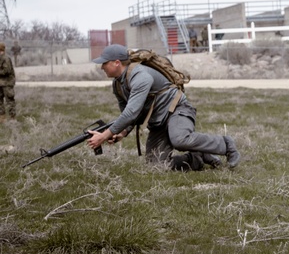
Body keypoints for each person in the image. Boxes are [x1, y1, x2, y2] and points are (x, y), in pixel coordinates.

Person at [86, 44, 240, 171]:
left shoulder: (140, 76)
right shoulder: (118, 85)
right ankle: (197, 158)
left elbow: (131, 112)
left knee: (179, 139)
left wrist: (104, 135)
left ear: (117, 62)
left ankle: (226, 144)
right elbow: (130, 114)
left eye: (104, 63)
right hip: (159, 122)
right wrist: (122, 132)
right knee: (156, 166)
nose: (101, 67)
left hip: (178, 110)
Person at [0, 42, 15, 121]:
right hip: (1, 83)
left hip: (7, 83)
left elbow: (7, 71)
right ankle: (2, 117)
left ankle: (12, 118)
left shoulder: (5, 58)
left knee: (9, 100)